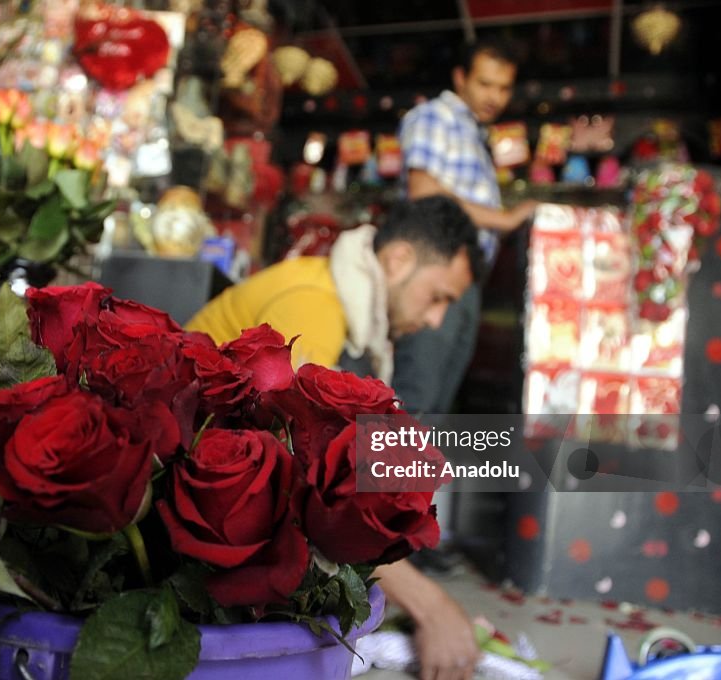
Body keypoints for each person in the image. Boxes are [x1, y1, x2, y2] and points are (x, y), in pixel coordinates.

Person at [187, 195, 485, 680]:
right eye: (439, 297)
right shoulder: (316, 305)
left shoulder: (337, 300)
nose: (436, 321)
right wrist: (432, 607)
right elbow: (301, 493)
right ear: (399, 259)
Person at [395, 38, 538, 415]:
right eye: (485, 83)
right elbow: (424, 191)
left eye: (504, 87)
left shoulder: (473, 133)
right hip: (436, 271)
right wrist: (506, 219)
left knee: (436, 403)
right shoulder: (435, 117)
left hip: (463, 279)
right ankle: (382, 475)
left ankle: (408, 475)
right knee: (417, 397)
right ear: (461, 78)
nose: (495, 96)